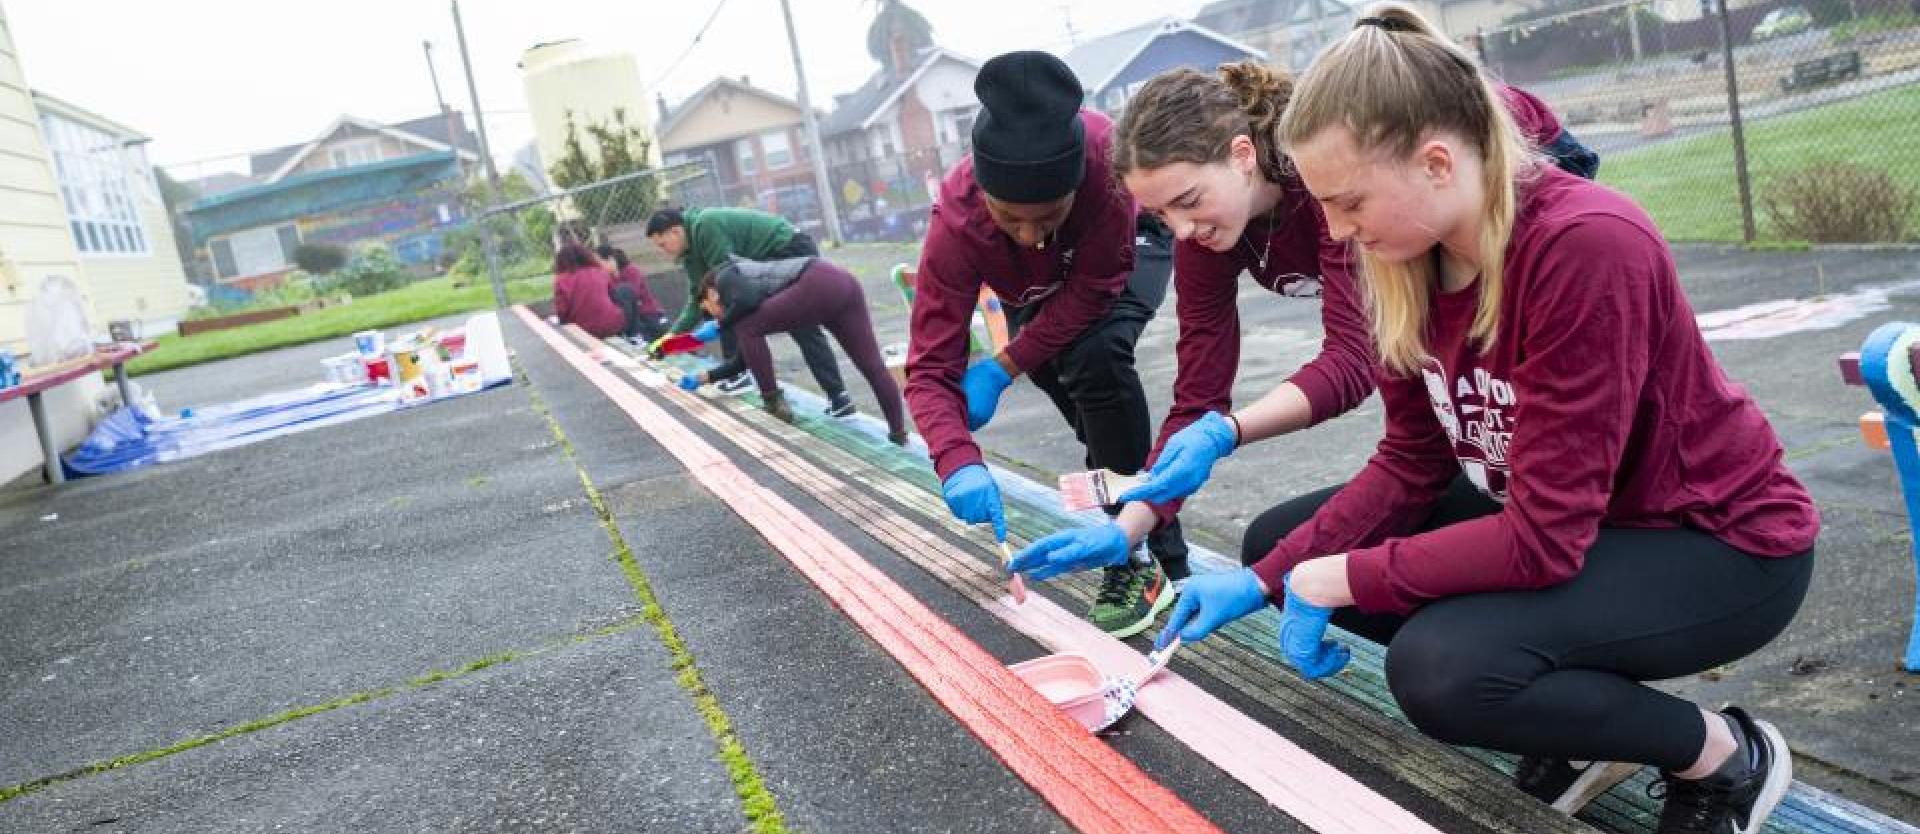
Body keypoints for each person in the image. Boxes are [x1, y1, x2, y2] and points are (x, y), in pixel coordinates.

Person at [1024, 7, 1817, 832]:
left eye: (1347, 202)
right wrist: (1261, 578)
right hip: (1580, 517)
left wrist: (1327, 575)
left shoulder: (1587, 247)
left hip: (1714, 539)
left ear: (1437, 162)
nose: (1331, 232)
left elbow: (1544, 539)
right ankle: (1572, 724)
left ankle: (1724, 757)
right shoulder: (1402, 259)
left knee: (1442, 668)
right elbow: (1409, 463)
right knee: (1284, 547)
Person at [1010, 58, 1595, 616]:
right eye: (1161, 217)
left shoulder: (1326, 190)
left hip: (1522, 175)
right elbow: (1197, 397)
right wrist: (1129, 527)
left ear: (1242, 156)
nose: (1182, 230)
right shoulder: (1207, 236)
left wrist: (1228, 432)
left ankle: (1557, 547)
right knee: (1294, 529)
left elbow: (1351, 360)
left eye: (1187, 201)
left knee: (1498, 369)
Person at [906, 50, 1187, 638]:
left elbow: (1092, 294)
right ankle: (1131, 510)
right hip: (1036, 290)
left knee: (1094, 355)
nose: (1031, 236)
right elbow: (930, 368)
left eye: (1048, 216)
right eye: (1012, 219)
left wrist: (1003, 365)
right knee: (1074, 394)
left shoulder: (1107, 163)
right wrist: (956, 460)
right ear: (983, 194)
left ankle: (1149, 557)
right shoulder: (955, 227)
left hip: (1121, 257)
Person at [645, 207, 856, 417]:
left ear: (675, 231)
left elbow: (723, 284)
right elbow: (697, 299)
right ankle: (740, 375)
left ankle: (838, 395)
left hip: (788, 248)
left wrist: (711, 329)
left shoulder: (706, 225)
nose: (664, 250)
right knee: (741, 317)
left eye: (663, 244)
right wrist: (671, 339)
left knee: (799, 323)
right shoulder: (689, 253)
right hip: (765, 262)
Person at [677, 256, 909, 446]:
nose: (713, 316)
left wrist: (719, 325)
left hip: (816, 280)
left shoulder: (725, 276)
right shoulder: (746, 293)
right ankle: (899, 435)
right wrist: (705, 377)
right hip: (843, 284)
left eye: (707, 310)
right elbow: (746, 358)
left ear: (710, 294)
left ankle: (773, 403)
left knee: (746, 326)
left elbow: (747, 303)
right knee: (872, 366)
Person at [551, 239, 642, 339]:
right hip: (611, 326)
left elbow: (562, 312)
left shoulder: (561, 280)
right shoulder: (599, 272)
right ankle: (635, 336)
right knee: (626, 289)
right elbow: (613, 296)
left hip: (581, 331)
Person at [597, 244, 669, 341]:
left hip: (650, 313)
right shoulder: (607, 278)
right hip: (635, 319)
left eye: (598, 263)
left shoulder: (630, 271)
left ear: (609, 259)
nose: (597, 267)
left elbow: (632, 294)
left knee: (669, 336)